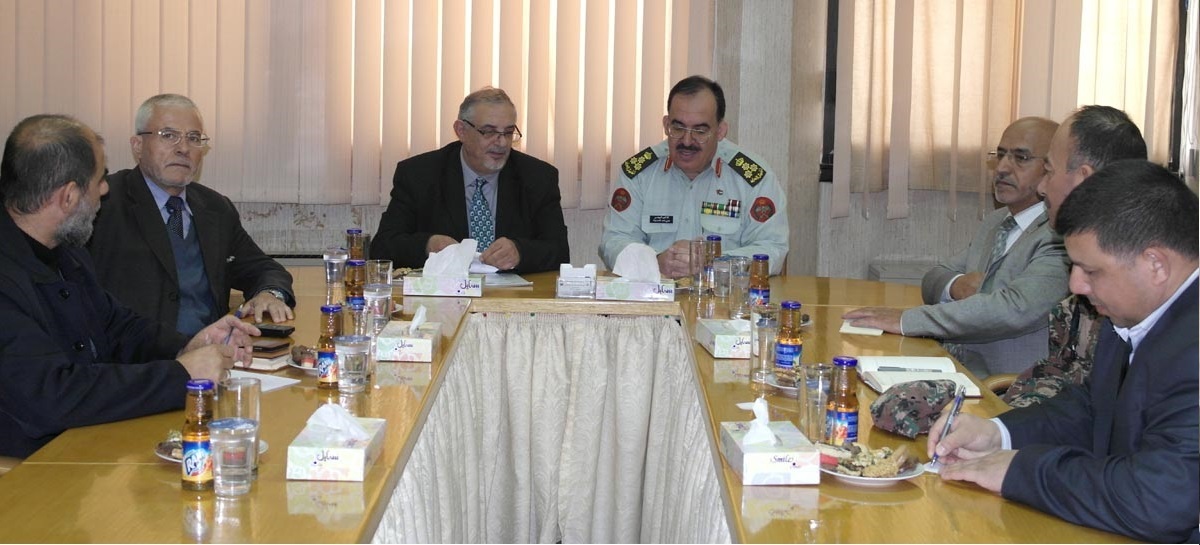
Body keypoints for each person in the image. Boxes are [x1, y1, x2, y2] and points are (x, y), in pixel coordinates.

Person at [928, 159, 1198, 543]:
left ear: (1155, 264)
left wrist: (1020, 471)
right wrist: (997, 433)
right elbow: (1093, 411)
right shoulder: (1131, 315)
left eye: (1091, 271)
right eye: (1073, 267)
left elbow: (1161, 500)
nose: (1076, 286)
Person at [0, 114, 258, 458]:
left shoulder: (66, 251)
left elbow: (116, 326)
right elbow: (54, 395)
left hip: (89, 441)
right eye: (99, 180)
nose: (105, 190)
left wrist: (188, 345)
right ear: (69, 196)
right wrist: (179, 374)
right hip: (30, 466)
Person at [843, 118, 1069, 377]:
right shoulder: (997, 222)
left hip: (1004, 386)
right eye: (1001, 155)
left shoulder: (1058, 235)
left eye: (1021, 158)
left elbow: (1012, 310)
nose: (1002, 168)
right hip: (952, 366)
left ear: (1051, 168)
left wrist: (906, 320)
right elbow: (934, 277)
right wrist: (956, 285)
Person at [88, 94, 295, 337]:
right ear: (138, 145)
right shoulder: (102, 203)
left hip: (214, 351)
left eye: (194, 138)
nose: (184, 149)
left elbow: (262, 269)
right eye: (168, 135)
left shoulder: (215, 208)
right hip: (137, 355)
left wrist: (269, 293)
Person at [1002, 105, 1147, 406]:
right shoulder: (1085, 266)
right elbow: (1061, 380)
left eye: (1049, 172)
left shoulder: (1137, 288)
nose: (1042, 188)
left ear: (1083, 181)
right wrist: (999, 425)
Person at [599, 75, 789, 277]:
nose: (687, 141)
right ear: (666, 125)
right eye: (678, 128)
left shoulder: (752, 177)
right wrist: (654, 262)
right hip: (655, 291)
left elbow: (773, 248)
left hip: (724, 294)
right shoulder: (639, 174)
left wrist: (711, 264)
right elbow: (613, 241)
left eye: (700, 131)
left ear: (720, 131)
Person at [369, 87, 569, 274]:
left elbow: (559, 250)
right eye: (489, 131)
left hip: (511, 294)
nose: (501, 143)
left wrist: (520, 251)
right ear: (461, 131)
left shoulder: (538, 177)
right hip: (444, 293)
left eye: (508, 132)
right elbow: (382, 247)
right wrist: (428, 245)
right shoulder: (419, 175)